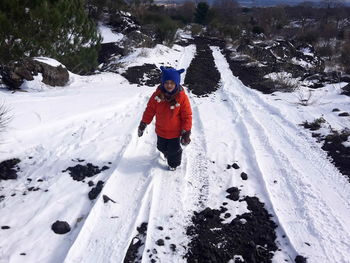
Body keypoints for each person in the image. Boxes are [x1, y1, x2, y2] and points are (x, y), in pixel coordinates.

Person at [138, 66, 192, 171]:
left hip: (175, 132)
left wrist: (186, 131)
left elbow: (187, 115)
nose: (169, 85)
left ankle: (173, 165)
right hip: (161, 130)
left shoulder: (181, 97)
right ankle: (167, 154)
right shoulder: (157, 96)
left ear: (176, 83)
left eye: (172, 83)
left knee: (174, 151)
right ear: (163, 83)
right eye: (166, 82)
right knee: (161, 147)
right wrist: (143, 123)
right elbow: (150, 110)